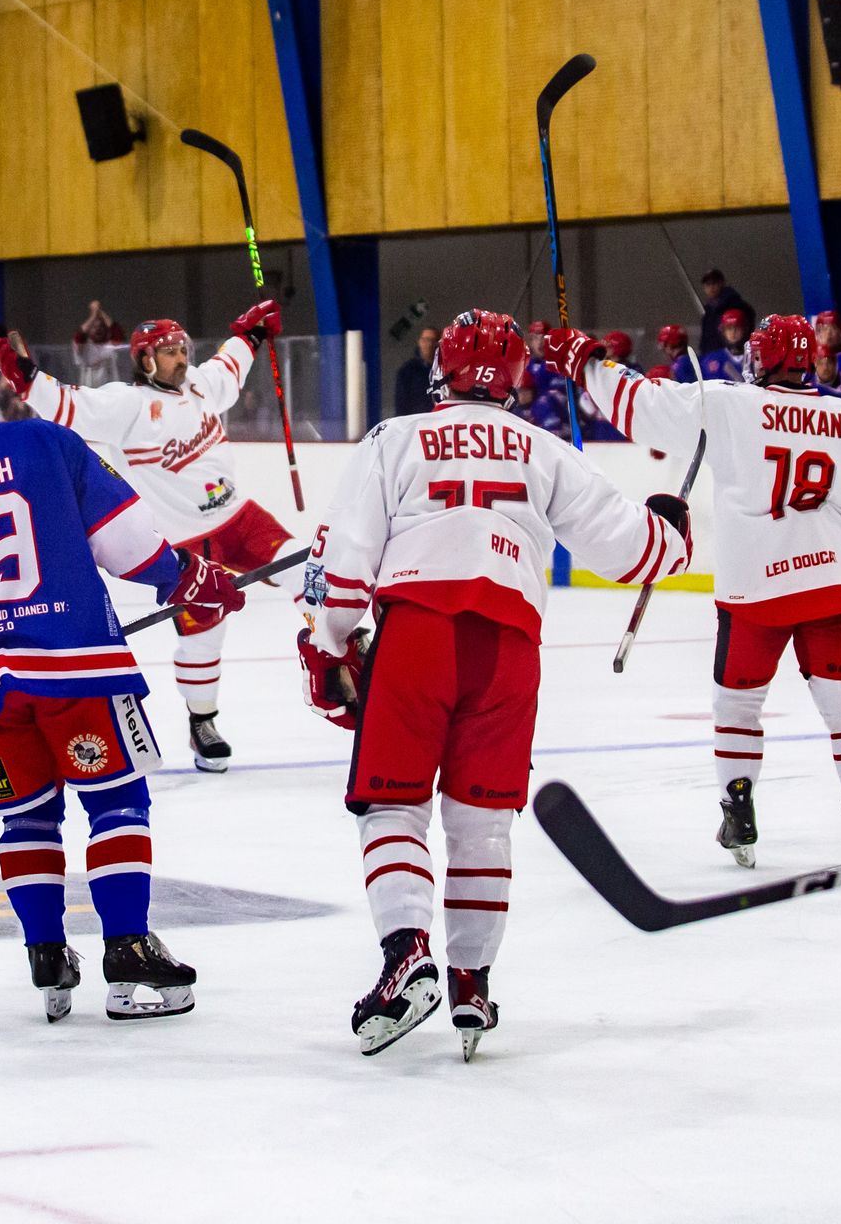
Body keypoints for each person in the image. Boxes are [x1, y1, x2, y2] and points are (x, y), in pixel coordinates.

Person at [297, 309, 693, 1059]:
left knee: (392, 802)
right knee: (481, 822)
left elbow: (345, 555)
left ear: (441, 369)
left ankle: (404, 956)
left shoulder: (395, 438)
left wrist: (332, 638)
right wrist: (670, 532)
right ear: (515, 381)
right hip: (511, 644)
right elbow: (629, 548)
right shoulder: (543, 449)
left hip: (418, 628)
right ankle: (471, 983)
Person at [0, 348, 243, 1023]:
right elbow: (128, 544)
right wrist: (189, 578)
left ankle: (46, 953)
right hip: (75, 665)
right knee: (117, 799)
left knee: (25, 814)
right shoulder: (44, 442)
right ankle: (126, 947)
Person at [547, 313, 841, 869]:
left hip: (756, 591)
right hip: (833, 586)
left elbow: (641, 407)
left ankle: (738, 808)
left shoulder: (727, 403)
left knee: (737, 704)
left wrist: (588, 363)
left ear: (761, 360)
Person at [0, 300, 302, 772]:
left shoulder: (200, 383)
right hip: (189, 543)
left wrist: (253, 332)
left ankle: (342, 659)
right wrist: (26, 375)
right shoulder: (126, 404)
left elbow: (229, 364)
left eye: (182, 348)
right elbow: (67, 404)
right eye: (170, 351)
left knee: (306, 569)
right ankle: (203, 724)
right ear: (145, 359)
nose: (182, 357)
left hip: (240, 518)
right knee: (205, 640)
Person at [699, 267, 753, 353]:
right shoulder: (708, 312)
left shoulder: (736, 304)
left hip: (733, 354)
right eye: (708, 284)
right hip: (713, 358)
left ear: (721, 283)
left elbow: (746, 328)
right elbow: (706, 338)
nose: (711, 287)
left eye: (714, 283)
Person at [392, 325, 439, 418]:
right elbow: (401, 404)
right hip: (416, 423)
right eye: (425, 340)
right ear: (420, 342)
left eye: (433, 340)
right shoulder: (407, 371)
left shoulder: (446, 369)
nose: (429, 344)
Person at [72, 300, 128, 377]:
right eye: (94, 327)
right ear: (89, 329)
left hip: (111, 386)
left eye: (101, 326)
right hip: (88, 387)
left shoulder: (111, 345)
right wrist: (94, 314)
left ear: (106, 328)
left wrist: (100, 312)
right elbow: (78, 335)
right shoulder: (84, 346)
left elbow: (117, 332)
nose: (98, 329)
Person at [699, 309, 749, 381]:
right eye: (729, 328)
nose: (733, 332)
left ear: (745, 329)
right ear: (723, 331)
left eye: (737, 327)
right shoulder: (711, 359)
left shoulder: (754, 358)